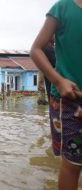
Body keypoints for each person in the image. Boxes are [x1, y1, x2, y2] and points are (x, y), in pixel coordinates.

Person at [30, 1, 82, 189]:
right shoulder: (63, 8)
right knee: (73, 163)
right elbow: (35, 49)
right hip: (70, 100)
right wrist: (59, 81)